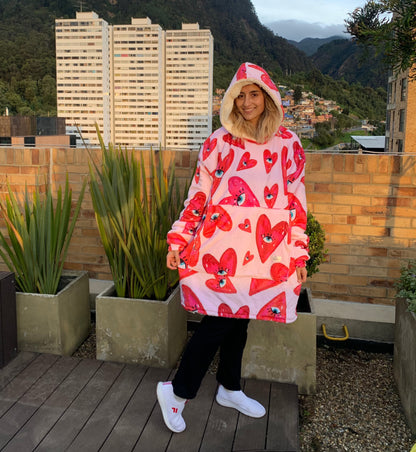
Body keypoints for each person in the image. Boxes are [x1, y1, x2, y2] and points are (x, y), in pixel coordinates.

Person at [157, 62, 309, 433]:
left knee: (240, 320)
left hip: (264, 250)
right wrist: (180, 237)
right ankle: (176, 392)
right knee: (220, 320)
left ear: (268, 96)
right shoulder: (218, 141)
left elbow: (296, 201)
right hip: (220, 248)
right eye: (239, 95)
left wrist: (300, 252)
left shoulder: (289, 144)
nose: (246, 102)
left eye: (253, 94)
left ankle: (229, 387)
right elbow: (199, 195)